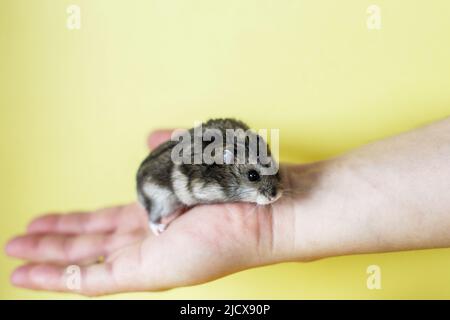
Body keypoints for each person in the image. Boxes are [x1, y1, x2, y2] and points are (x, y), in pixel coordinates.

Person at [5, 117, 450, 296]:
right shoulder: (203, 175)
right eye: (257, 181)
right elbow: (187, 182)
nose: (273, 190)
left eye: (271, 175)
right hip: (162, 189)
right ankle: (161, 216)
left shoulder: (245, 155)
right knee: (163, 198)